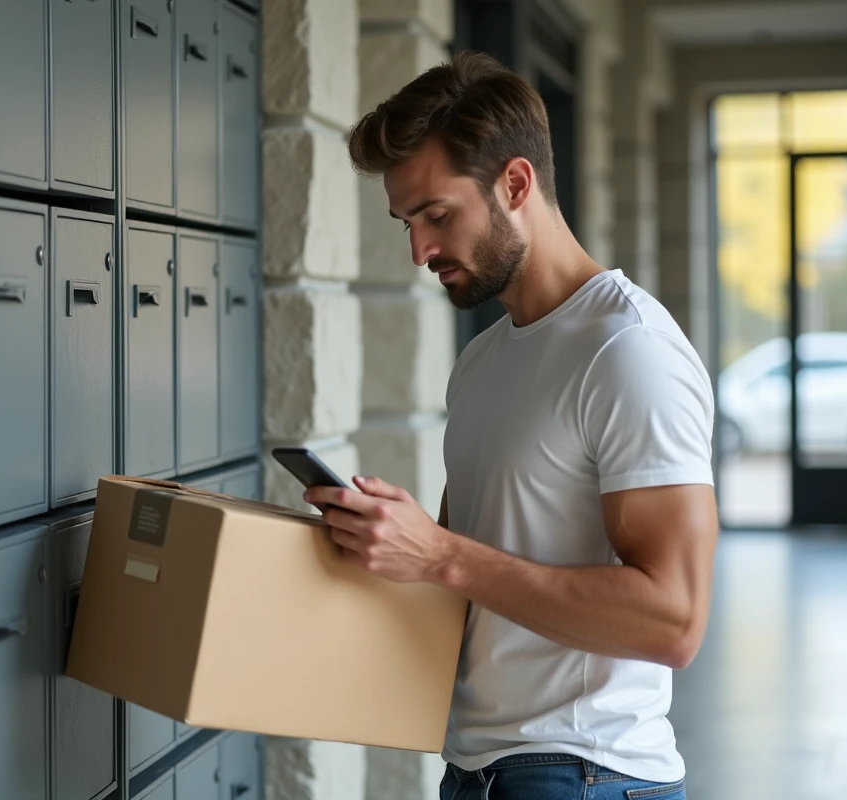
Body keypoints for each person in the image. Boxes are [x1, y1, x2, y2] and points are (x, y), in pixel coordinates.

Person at [302, 51, 717, 800]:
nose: (420, 250)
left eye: (437, 215)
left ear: (516, 184)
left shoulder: (629, 352)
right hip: (476, 774)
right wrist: (377, 543)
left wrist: (441, 555)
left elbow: (674, 621)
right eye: (407, 222)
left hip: (588, 774)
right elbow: (459, 578)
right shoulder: (482, 361)